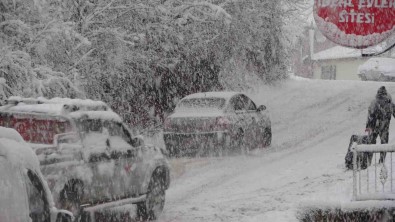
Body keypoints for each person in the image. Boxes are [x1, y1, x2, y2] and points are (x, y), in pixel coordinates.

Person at [365, 86, 395, 163]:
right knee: (383, 144)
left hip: (374, 127)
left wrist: (368, 127)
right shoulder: (389, 103)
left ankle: (369, 160)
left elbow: (370, 115)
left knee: (371, 143)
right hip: (384, 127)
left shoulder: (374, 102)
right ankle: (381, 161)